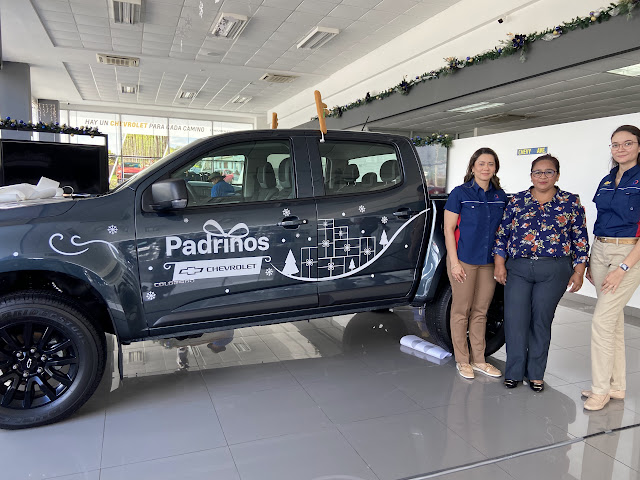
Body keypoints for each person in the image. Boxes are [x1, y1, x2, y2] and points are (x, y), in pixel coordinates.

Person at [494, 154, 589, 392]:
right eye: (538, 172)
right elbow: (502, 234)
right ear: (531, 176)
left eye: (548, 172)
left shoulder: (570, 202)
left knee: (541, 321)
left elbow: (580, 238)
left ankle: (536, 373)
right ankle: (514, 372)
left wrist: (579, 271)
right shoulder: (517, 201)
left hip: (554, 269)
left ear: (557, 175)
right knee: (515, 320)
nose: (543, 176)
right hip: (519, 268)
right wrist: (499, 264)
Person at [582, 125, 640, 411]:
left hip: (628, 252)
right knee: (613, 321)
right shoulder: (607, 180)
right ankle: (616, 385)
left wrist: (623, 268)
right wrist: (592, 259)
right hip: (601, 249)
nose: (620, 149)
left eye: (627, 143)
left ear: (639, 147)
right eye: (615, 144)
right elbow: (600, 220)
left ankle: (600, 390)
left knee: (602, 322)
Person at [443, 148, 507, 379]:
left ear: (495, 168)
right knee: (461, 311)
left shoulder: (500, 196)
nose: (485, 168)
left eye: (490, 164)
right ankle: (462, 360)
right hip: (464, 260)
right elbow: (448, 229)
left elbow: (504, 231)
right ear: (472, 167)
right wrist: (454, 263)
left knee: (481, 311)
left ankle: (479, 359)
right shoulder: (460, 193)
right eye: (481, 163)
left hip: (488, 262)